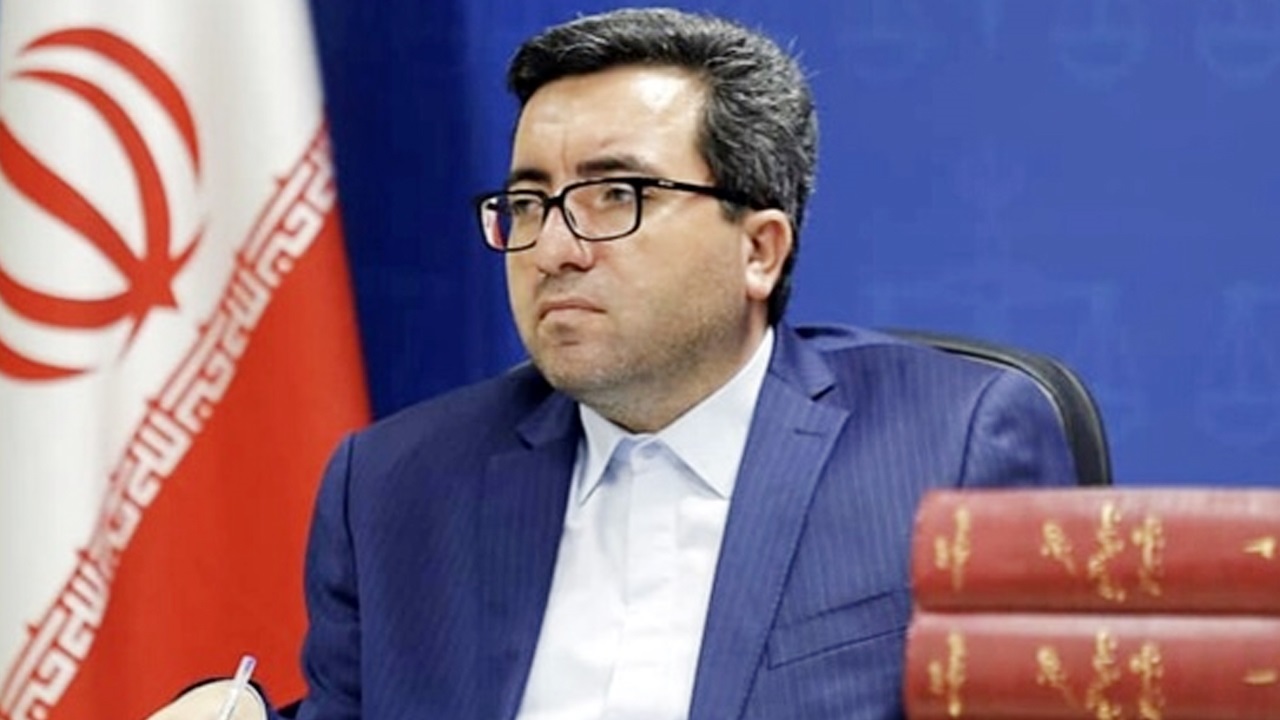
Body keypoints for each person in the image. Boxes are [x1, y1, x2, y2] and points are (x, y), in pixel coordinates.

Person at [150, 7, 1076, 720]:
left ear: (759, 249)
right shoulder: (398, 485)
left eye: (616, 195)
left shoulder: (948, 443)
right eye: (528, 204)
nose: (554, 249)